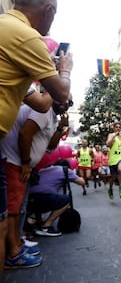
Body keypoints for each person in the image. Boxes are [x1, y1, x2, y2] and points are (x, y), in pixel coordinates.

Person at [0, 0, 72, 274]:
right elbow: (60, 94)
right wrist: (64, 70)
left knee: (7, 217)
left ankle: (14, 249)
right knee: (3, 221)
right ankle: (13, 251)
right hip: (11, 156)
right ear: (49, 10)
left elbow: (42, 103)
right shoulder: (27, 38)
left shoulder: (5, 27)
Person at [0, 98, 72, 269]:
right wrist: (25, 162)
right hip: (14, 162)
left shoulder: (53, 116)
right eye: (66, 99)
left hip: (21, 165)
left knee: (18, 209)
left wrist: (61, 128)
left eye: (70, 102)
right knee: (13, 211)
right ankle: (13, 254)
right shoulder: (44, 109)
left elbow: (50, 146)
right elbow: (25, 133)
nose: (68, 103)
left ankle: (17, 245)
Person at [26, 160, 85, 236]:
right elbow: (81, 182)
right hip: (42, 200)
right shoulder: (64, 170)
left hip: (28, 201)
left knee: (43, 194)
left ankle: (39, 222)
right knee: (66, 199)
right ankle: (46, 226)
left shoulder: (44, 170)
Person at [106, 122, 121, 199]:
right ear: (114, 128)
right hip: (113, 157)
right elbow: (108, 144)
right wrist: (114, 136)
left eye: (119, 127)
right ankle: (110, 189)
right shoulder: (111, 135)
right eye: (116, 127)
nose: (118, 129)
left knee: (120, 169)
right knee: (112, 177)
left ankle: (120, 188)